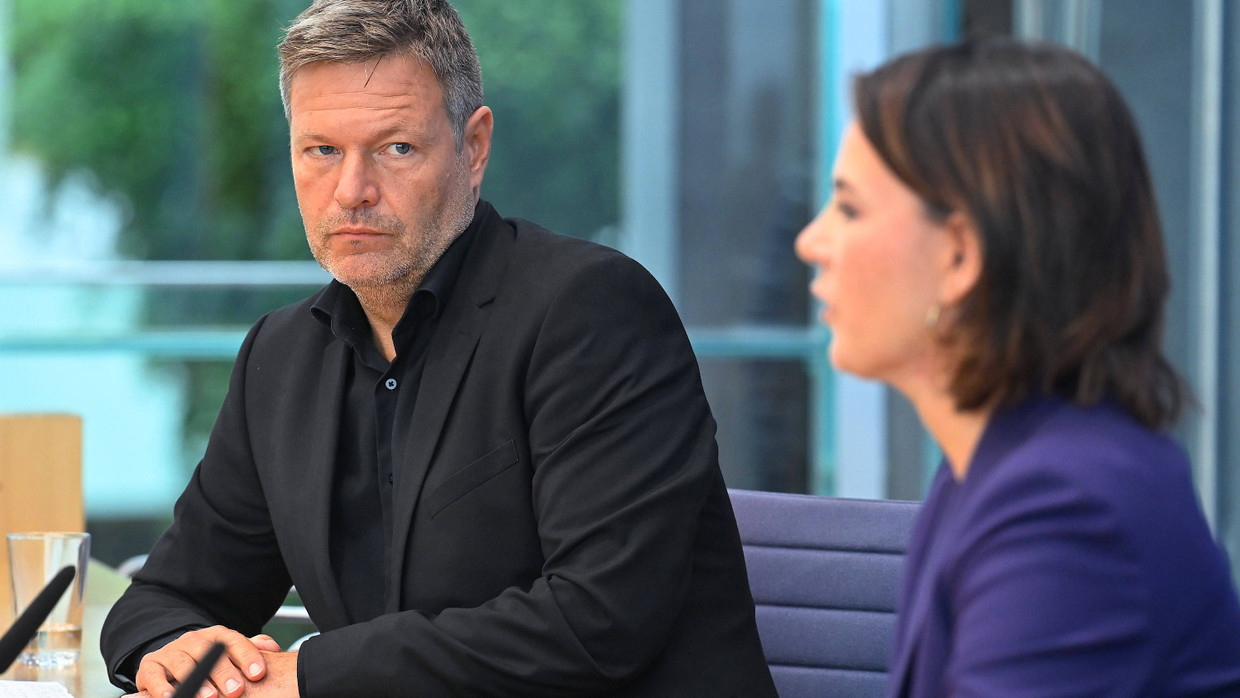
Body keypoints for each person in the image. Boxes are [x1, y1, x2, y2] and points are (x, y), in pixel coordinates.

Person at [100, 1, 777, 696]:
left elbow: (597, 621)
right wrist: (171, 648)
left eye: (396, 148)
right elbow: (165, 598)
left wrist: (309, 675)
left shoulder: (592, 310)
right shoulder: (281, 356)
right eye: (322, 151)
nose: (352, 192)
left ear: (473, 148)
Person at [795, 39, 1240, 696]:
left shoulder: (1064, 512)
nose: (811, 242)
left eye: (850, 208)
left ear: (960, 256)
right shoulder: (987, 468)